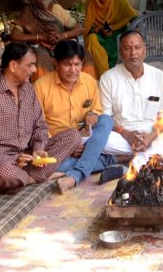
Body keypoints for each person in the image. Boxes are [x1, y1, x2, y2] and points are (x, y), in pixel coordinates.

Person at [0, 42, 81, 192]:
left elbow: (40, 126)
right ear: (13, 66)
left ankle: (23, 180)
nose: (34, 69)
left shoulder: (28, 90)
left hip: (28, 157)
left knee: (73, 136)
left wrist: (39, 150)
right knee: (4, 172)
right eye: (30, 65)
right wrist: (12, 160)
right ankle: (33, 177)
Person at [34, 40, 117, 194]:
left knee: (106, 120)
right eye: (67, 64)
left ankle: (76, 174)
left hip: (86, 139)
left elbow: (97, 111)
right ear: (55, 64)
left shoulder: (89, 82)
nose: (73, 70)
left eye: (77, 64)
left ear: (82, 63)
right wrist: (70, 147)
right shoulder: (40, 87)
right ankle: (108, 161)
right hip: (57, 145)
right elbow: (38, 126)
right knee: (55, 165)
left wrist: (93, 115)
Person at [99, 31, 163, 158]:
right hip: (121, 135)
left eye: (137, 48)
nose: (133, 54)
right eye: (127, 49)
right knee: (103, 141)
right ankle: (149, 157)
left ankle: (134, 156)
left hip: (152, 133)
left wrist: (150, 137)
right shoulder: (108, 78)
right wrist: (126, 133)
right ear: (120, 53)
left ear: (145, 50)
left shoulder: (159, 76)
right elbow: (105, 118)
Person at [12, 0, 96, 80]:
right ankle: (44, 91)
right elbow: (15, 35)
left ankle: (86, 87)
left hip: (61, 44)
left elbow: (78, 29)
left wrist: (61, 36)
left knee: (85, 55)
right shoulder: (28, 11)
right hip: (39, 46)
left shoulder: (57, 9)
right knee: (40, 59)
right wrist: (42, 37)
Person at [83, 0, 138, 77]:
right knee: (91, 38)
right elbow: (90, 26)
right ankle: (101, 74)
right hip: (101, 34)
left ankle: (106, 75)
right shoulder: (91, 3)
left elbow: (134, 19)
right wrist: (100, 30)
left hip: (119, 34)